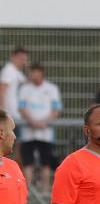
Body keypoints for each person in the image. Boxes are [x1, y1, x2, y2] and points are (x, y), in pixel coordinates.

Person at [17, 63, 61, 192]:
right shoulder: (25, 88)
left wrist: (44, 122)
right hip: (28, 132)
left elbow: (56, 110)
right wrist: (32, 121)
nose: (33, 76)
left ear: (41, 73)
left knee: (45, 163)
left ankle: (44, 193)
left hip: (45, 133)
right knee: (27, 163)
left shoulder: (51, 88)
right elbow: (22, 108)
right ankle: (28, 193)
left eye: (35, 73)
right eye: (31, 73)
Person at [0, 48, 27, 129]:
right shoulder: (8, 70)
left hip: (17, 114)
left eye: (24, 59)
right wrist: (2, 113)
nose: (22, 61)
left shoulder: (18, 72)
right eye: (20, 58)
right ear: (13, 57)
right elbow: (1, 91)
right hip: (9, 115)